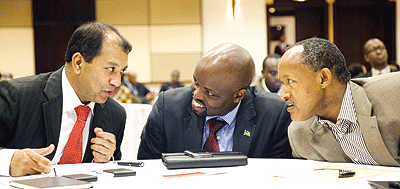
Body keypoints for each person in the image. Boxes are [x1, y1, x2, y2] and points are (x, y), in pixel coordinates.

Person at [0, 21, 132, 176]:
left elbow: (112, 173)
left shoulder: (115, 114)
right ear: (78, 63)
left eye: (121, 71)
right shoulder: (18, 95)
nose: (117, 82)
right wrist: (8, 161)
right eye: (110, 69)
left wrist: (107, 160)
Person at [138, 43, 292, 160]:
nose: (196, 95)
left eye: (209, 93)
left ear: (239, 96)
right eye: (196, 82)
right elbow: (147, 170)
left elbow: (278, 177)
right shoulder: (168, 108)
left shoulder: (273, 115)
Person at [278, 37, 400, 166]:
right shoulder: (299, 134)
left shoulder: (394, 94)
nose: (283, 95)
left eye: (290, 81)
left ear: (323, 78)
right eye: (282, 83)